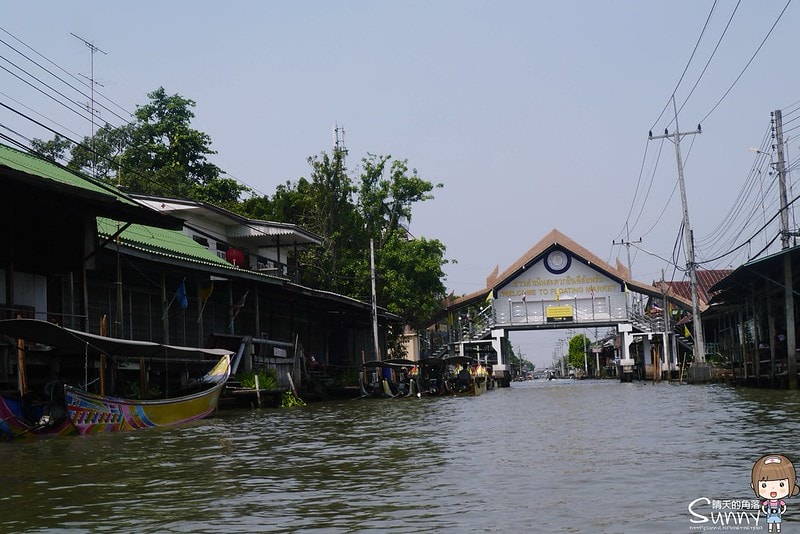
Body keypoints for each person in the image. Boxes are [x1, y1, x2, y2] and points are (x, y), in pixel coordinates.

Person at [750, 454, 799, 533]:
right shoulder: (768, 502)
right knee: (770, 522)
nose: (773, 489)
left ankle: (777, 530)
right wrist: (766, 511)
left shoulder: (780, 502)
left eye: (781, 484)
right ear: (754, 485)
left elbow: (783, 506)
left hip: (777, 514)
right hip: (770, 514)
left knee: (777, 523)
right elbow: (763, 506)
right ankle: (770, 530)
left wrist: (782, 511)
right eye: (764, 485)